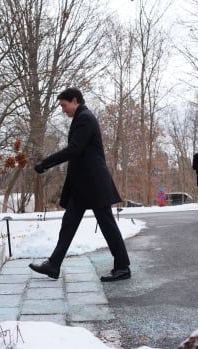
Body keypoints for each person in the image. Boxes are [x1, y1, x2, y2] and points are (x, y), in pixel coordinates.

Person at [30, 87, 131, 282]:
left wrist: (46, 163)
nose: (63, 109)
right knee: (69, 224)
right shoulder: (81, 117)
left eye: (64, 105)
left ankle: (122, 267)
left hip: (93, 183)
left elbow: (74, 149)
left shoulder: (85, 118)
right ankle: (53, 264)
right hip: (84, 185)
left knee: (107, 225)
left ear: (75, 100)